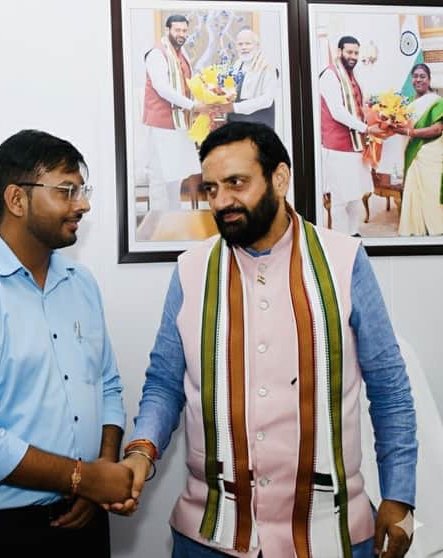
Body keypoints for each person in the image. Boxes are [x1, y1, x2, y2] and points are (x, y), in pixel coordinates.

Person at [120, 122, 418, 558]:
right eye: (211, 188)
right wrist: (141, 451)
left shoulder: (344, 260)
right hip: (210, 536)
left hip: (329, 532)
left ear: (280, 178)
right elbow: (165, 383)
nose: (222, 201)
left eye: (236, 183)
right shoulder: (190, 270)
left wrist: (399, 494)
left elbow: (389, 387)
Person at [0, 129, 134, 557]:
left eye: (82, 190)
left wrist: (102, 469)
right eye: (66, 191)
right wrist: (83, 478)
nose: (83, 205)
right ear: (17, 200)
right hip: (5, 534)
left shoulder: (81, 284)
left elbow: (108, 386)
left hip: (88, 520)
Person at [143, 14, 214, 211]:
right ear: (168, 30)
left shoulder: (182, 54)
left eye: (184, 30)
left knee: (175, 173)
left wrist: (205, 95)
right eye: (177, 30)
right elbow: (162, 88)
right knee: (160, 176)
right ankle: (158, 219)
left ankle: (174, 215)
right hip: (162, 123)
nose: (181, 34)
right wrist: (193, 106)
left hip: (179, 123)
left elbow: (187, 84)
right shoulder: (157, 54)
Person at [319, 36, 382, 236]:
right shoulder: (330, 76)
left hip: (356, 146)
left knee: (355, 196)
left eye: (356, 52)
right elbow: (337, 112)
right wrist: (366, 129)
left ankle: (353, 234)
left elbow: (359, 106)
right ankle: (341, 239)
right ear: (339, 52)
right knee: (340, 199)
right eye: (349, 52)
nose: (353, 56)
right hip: (338, 147)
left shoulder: (352, 76)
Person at [392, 63, 443, 236]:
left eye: (422, 76)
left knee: (431, 194)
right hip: (413, 156)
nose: (418, 80)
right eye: (415, 76)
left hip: (431, 156)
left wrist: (409, 132)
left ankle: (437, 232)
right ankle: (416, 231)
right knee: (414, 193)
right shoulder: (410, 104)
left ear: (429, 79)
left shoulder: (437, 101)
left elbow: (437, 129)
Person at [216, 28, 277, 129]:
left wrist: (234, 107)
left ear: (257, 45)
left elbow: (267, 100)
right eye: (240, 44)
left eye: (248, 43)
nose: (244, 47)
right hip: (235, 124)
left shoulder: (267, 66)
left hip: (258, 125)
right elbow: (230, 91)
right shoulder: (236, 65)